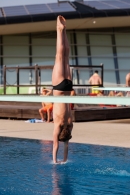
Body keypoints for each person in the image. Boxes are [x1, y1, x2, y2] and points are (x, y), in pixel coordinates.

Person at [52, 15, 73, 164]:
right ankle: (60, 31)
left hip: (67, 87)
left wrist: (65, 159)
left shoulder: (70, 123)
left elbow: (65, 143)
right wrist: (56, 160)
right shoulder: (58, 125)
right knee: (59, 56)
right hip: (59, 88)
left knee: (66, 57)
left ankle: (64, 31)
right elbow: (56, 144)